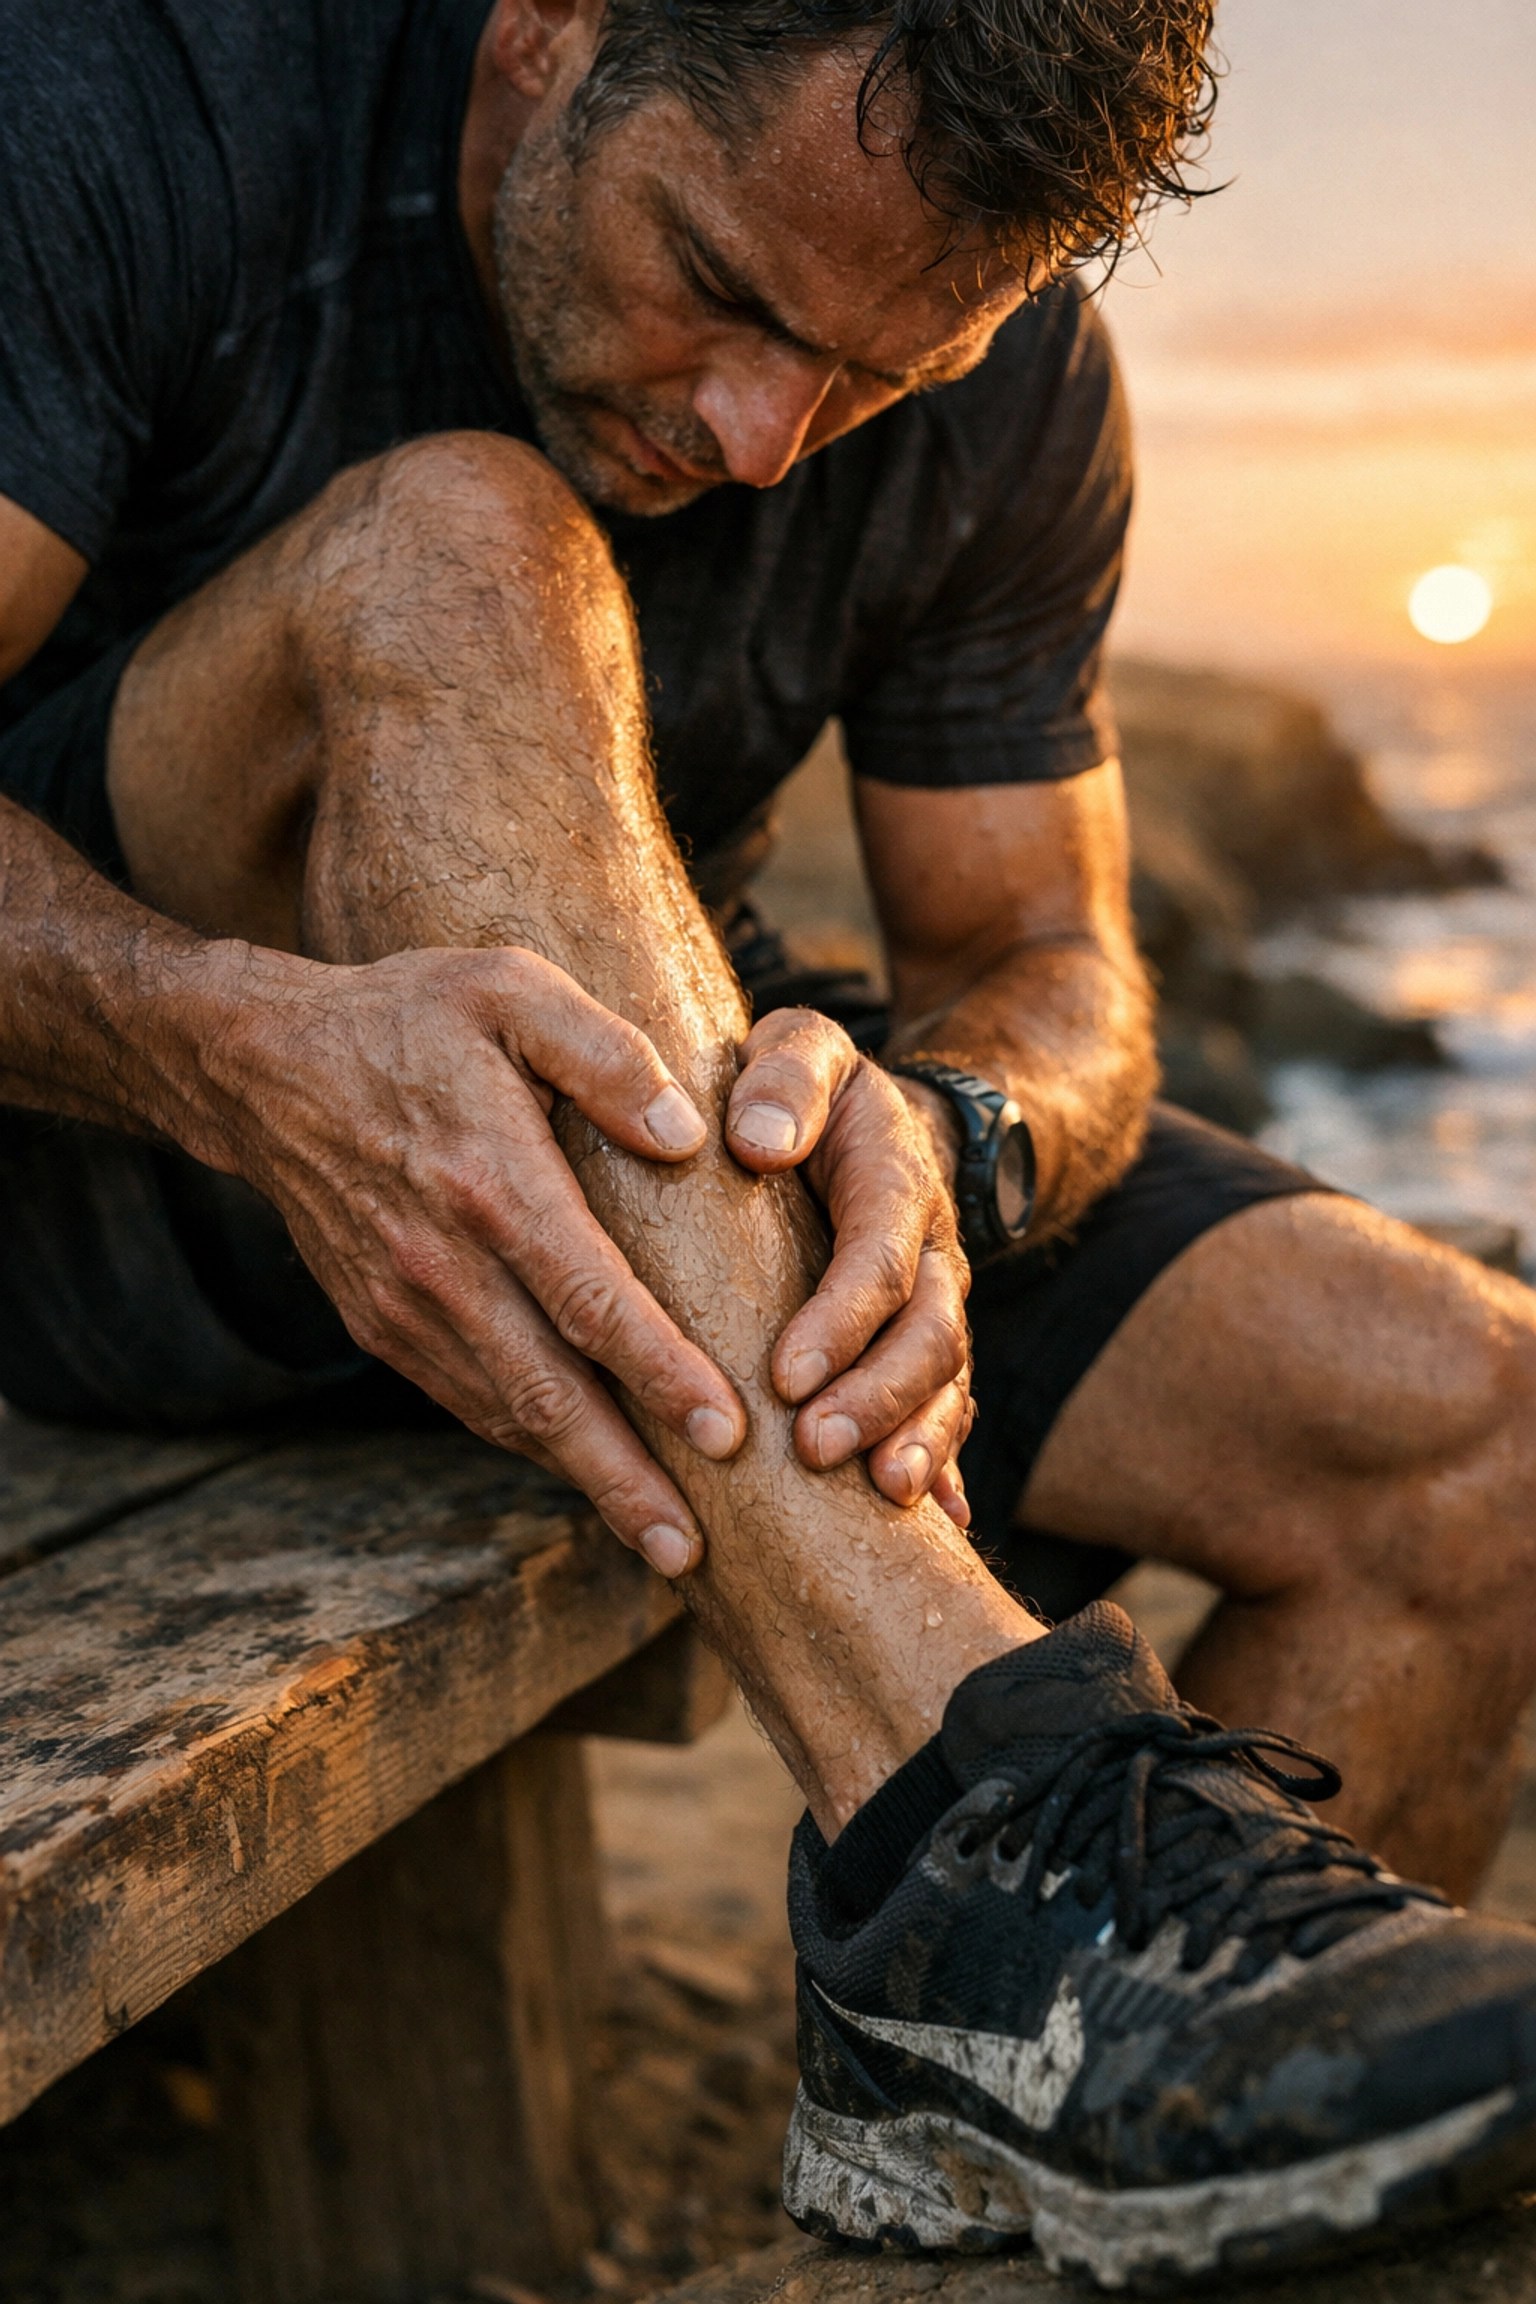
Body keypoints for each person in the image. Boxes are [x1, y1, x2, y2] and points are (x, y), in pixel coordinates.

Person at [5, 0, 1536, 2280]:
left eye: (875, 376)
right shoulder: (134, 92)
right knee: (457, 537)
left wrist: (956, 1129)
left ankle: (1032, 2081)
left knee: (1465, 1421)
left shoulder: (1011, 378)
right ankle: (971, 1822)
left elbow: (1048, 955)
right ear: (554, 27)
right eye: (720, 284)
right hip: (123, 1138)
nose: (758, 435)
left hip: (650, 1128)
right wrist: (234, 1048)